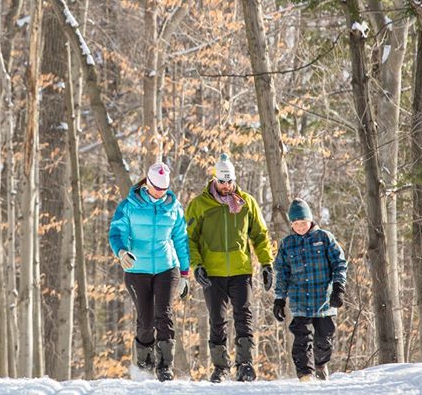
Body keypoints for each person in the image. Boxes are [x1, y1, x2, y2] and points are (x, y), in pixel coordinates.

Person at [185, 153, 274, 383]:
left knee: (244, 316)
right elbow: (189, 239)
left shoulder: (246, 202)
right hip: (212, 273)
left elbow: (260, 235)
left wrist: (266, 264)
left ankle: (245, 365)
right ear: (215, 179)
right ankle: (220, 367)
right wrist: (196, 265)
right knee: (217, 319)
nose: (226, 186)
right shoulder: (200, 204)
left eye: (229, 181)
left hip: (241, 269)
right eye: (222, 182)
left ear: (234, 180)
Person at [108, 161, 190, 382]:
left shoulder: (173, 206)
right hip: (137, 269)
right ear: (147, 183)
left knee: (164, 315)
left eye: (164, 189)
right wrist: (122, 252)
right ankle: (144, 368)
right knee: (145, 321)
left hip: (166, 267)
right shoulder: (129, 205)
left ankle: (165, 368)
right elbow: (116, 232)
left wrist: (184, 273)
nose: (160, 193)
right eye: (157, 188)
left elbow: (181, 239)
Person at [272, 198, 348, 382]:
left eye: (303, 222)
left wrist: (339, 287)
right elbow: (282, 273)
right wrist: (279, 299)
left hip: (323, 300)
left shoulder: (324, 238)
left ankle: (320, 364)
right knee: (301, 339)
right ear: (291, 224)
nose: (299, 227)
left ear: (310, 220)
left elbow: (339, 263)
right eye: (296, 223)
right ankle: (305, 374)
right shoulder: (287, 244)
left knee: (324, 340)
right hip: (300, 301)